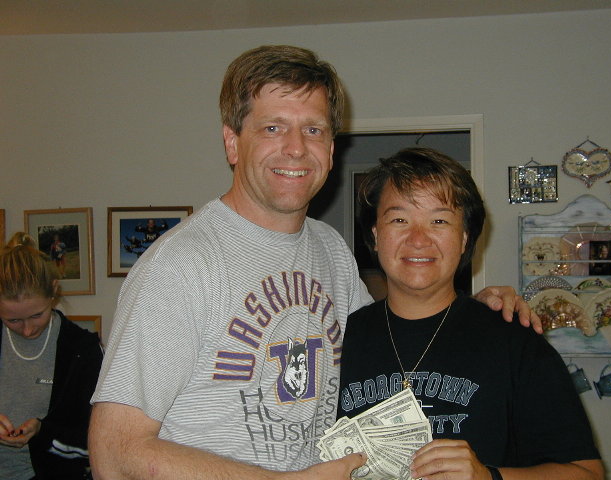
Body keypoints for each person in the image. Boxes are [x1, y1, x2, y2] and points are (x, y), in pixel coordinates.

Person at [89, 45, 540, 480]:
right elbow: (114, 453)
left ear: (331, 149)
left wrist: (469, 312)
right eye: (272, 128)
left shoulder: (330, 249)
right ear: (232, 143)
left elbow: (391, 338)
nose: (296, 148)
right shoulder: (180, 264)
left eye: (314, 130)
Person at [337, 147, 604, 480]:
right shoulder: (339, 338)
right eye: (399, 220)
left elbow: (587, 473)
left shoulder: (514, 341)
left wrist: (489, 477)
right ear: (376, 236)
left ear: (464, 239)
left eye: (439, 221)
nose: (418, 239)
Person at [0, 232, 103, 479]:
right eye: (13, 320)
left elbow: (98, 444)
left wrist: (42, 432)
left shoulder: (82, 350)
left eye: (37, 315)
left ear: (54, 291)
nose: (27, 330)